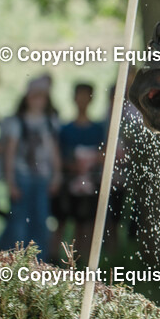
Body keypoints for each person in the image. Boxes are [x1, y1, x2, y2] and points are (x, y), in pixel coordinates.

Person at [0, 76, 61, 260]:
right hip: (22, 177)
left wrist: (57, 175)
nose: (38, 101)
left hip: (42, 178)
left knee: (40, 220)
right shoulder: (16, 122)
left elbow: (54, 152)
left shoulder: (49, 122)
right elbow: (9, 155)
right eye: (34, 96)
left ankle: (39, 262)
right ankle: (13, 260)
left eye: (42, 97)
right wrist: (11, 182)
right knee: (19, 222)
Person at [50, 82, 105, 261]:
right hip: (67, 182)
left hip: (90, 183)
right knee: (61, 221)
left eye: (85, 96)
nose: (82, 100)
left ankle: (81, 263)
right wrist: (72, 166)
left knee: (85, 224)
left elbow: (104, 154)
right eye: (79, 95)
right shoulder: (65, 129)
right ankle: (53, 261)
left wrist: (90, 161)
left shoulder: (98, 130)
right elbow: (58, 155)